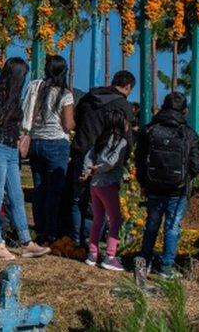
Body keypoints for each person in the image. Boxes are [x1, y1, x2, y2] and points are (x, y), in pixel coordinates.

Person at [0, 57, 50, 260]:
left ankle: (27, 242)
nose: (25, 79)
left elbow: (12, 123)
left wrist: (19, 139)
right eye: (23, 75)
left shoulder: (14, 97)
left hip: (11, 150)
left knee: (17, 197)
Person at [65, 71, 136, 246]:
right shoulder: (123, 105)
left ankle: (75, 239)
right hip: (104, 159)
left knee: (77, 199)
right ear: (128, 87)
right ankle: (93, 243)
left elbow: (76, 121)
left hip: (81, 150)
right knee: (99, 204)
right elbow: (126, 139)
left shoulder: (89, 97)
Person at [136, 91, 199, 278]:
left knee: (151, 225)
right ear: (185, 111)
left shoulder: (149, 130)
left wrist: (144, 182)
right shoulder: (188, 134)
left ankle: (144, 262)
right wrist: (184, 178)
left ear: (163, 107)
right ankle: (166, 268)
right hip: (178, 190)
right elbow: (196, 164)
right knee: (172, 227)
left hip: (154, 186)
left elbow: (139, 159)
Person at [21, 55, 75, 244]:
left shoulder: (37, 87)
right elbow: (68, 124)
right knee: (54, 191)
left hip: (36, 142)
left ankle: (40, 230)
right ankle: (51, 232)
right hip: (56, 143)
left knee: (39, 189)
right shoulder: (64, 94)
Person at [80, 102, 130, 271]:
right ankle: (110, 256)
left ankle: (92, 253)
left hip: (95, 184)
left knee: (98, 219)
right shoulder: (121, 141)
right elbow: (112, 161)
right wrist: (99, 168)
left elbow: (89, 155)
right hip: (108, 183)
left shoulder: (101, 138)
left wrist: (88, 170)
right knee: (115, 219)